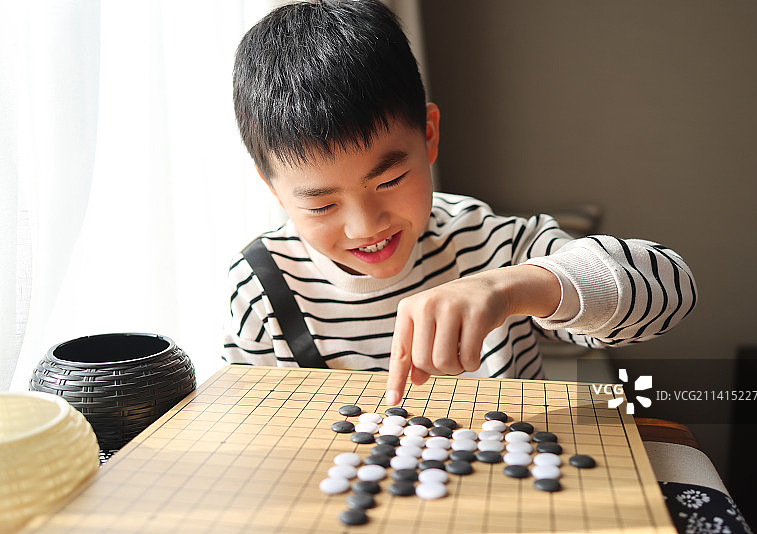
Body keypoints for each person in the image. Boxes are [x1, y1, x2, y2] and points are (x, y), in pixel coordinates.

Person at [223, 0, 696, 406]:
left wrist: (511, 288)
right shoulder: (261, 287)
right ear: (273, 188)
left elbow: (672, 290)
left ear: (428, 137)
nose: (365, 226)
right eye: (321, 206)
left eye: (389, 180)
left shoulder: (492, 244)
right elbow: (255, 432)